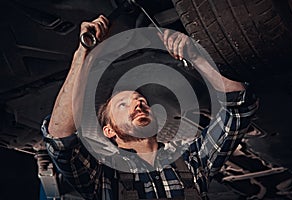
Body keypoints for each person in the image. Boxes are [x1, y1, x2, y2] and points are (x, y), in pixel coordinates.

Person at [41, 15, 258, 200]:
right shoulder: (104, 178)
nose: (137, 103)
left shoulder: (191, 161)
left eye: (141, 101)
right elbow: (60, 137)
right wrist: (83, 52)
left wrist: (195, 56)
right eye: (122, 104)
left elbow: (238, 104)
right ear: (109, 131)